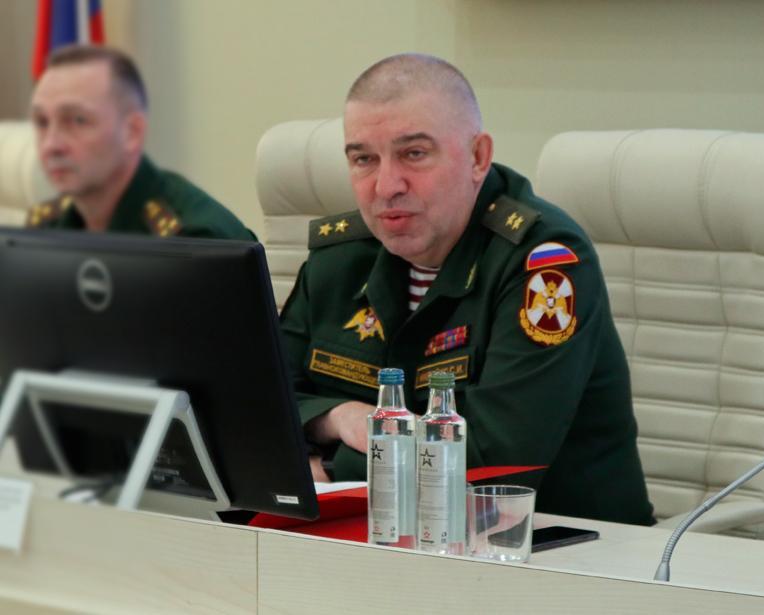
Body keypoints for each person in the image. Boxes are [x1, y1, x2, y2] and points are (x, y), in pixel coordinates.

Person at [280, 53, 653, 524]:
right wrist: (336, 418)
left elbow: (495, 463)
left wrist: (333, 468)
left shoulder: (543, 263)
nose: (386, 186)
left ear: (478, 157)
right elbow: (261, 404)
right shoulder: (340, 259)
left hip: (552, 543)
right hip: (382, 535)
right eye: (363, 159)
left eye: (414, 154)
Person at [26, 44, 253, 240]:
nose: (51, 145)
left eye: (77, 120)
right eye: (42, 122)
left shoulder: (195, 239)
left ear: (132, 132)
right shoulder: (43, 228)